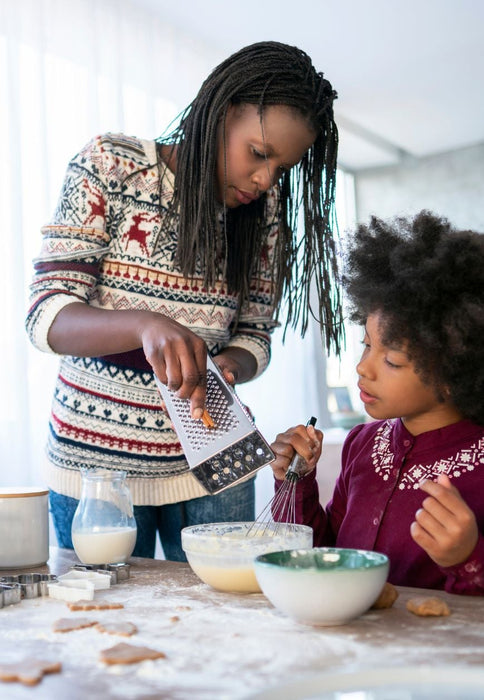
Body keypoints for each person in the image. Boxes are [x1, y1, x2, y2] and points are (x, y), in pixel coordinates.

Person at [25, 41, 342, 561]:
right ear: (217, 113)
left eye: (281, 170)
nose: (265, 181)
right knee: (107, 628)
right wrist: (145, 325)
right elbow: (47, 316)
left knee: (221, 627)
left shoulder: (266, 215)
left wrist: (226, 367)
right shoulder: (110, 165)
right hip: (99, 470)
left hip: (218, 459)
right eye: (258, 154)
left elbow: (255, 337)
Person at [271, 211, 484, 594]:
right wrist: (296, 482)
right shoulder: (362, 443)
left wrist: (467, 557)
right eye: (367, 343)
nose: (362, 367)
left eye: (393, 359)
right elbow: (326, 557)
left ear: (456, 371)